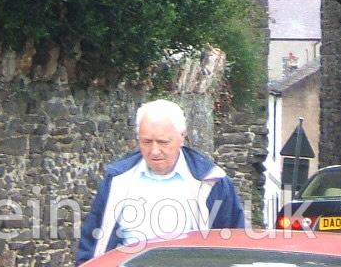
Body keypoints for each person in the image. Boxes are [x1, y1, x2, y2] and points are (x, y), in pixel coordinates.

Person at [75, 99, 246, 263]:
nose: (154, 151)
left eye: (163, 142)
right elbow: (93, 245)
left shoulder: (212, 183)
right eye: (146, 142)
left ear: (182, 137)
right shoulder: (118, 181)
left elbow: (235, 247)